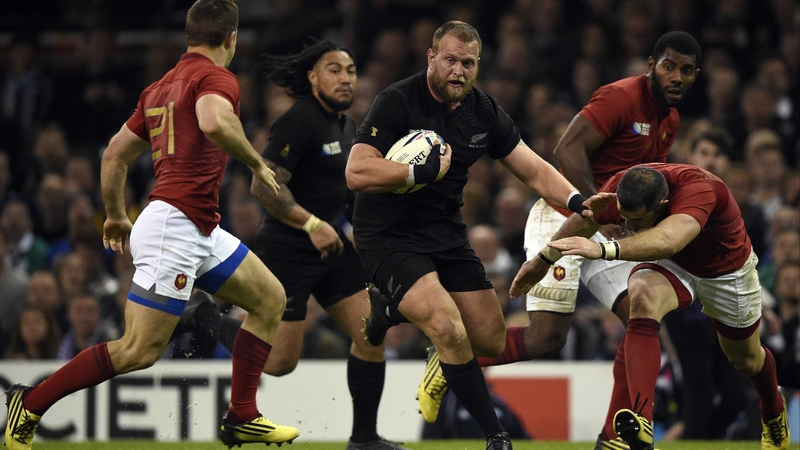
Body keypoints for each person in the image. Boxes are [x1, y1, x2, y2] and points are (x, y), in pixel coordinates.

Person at [3, 1, 300, 449]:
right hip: (173, 228)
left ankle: (242, 415)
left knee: (270, 299)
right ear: (231, 39)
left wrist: (118, 215)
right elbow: (215, 122)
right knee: (138, 350)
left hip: (196, 226)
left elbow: (113, 154)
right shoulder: (217, 77)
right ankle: (30, 404)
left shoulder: (159, 88)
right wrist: (257, 163)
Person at [396, 30, 703, 449]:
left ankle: (614, 435)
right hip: (562, 218)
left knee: (641, 318)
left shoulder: (669, 119)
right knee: (546, 338)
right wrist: (593, 208)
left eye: (686, 71)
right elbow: (567, 148)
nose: (676, 77)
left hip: (610, 230)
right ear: (651, 65)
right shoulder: (620, 97)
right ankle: (448, 363)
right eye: (668, 66)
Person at [345, 21, 594, 450]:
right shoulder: (396, 101)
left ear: (478, 65)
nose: (458, 71)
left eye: (468, 63)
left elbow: (533, 169)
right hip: (387, 235)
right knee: (448, 328)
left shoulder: (484, 111)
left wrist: (577, 202)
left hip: (445, 234)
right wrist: (413, 172)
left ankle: (391, 310)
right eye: (450, 60)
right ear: (431, 58)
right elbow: (356, 170)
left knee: (489, 338)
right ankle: (495, 435)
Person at [185, 38, 404, 450]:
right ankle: (202, 314)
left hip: (331, 244)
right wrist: (311, 224)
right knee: (280, 363)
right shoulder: (297, 121)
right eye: (334, 70)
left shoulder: (346, 124)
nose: (345, 78)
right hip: (288, 247)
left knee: (372, 334)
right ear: (312, 77)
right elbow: (263, 187)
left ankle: (364, 439)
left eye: (351, 70)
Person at [522, 163, 790, 450]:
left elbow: (668, 239)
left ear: (662, 204)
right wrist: (543, 259)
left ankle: (773, 411)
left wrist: (603, 249)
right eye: (624, 219)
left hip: (724, 270)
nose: (627, 227)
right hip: (675, 264)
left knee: (745, 359)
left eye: (635, 220)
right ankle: (642, 421)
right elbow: (587, 219)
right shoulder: (623, 188)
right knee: (641, 299)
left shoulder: (700, 189)